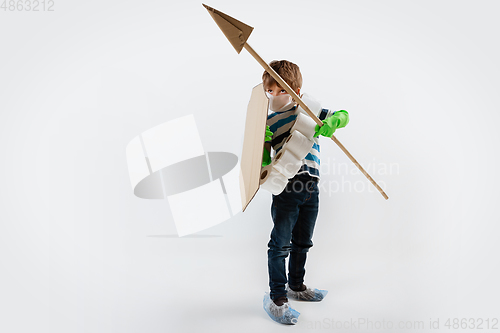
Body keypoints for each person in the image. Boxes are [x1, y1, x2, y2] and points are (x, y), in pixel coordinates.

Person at [261, 60, 349, 324]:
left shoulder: (309, 110)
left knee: (303, 241)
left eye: (282, 91)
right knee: (280, 244)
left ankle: (296, 286)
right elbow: (264, 159)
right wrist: (263, 148)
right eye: (271, 92)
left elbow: (344, 114)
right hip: (286, 185)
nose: (275, 97)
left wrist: (333, 120)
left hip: (311, 186)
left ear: (297, 89)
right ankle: (277, 297)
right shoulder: (267, 120)